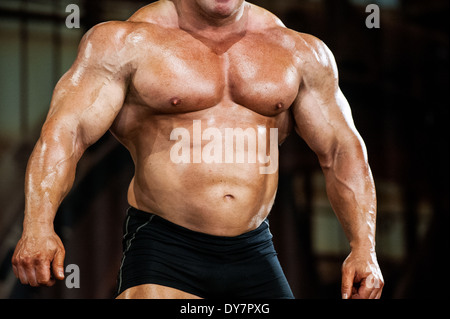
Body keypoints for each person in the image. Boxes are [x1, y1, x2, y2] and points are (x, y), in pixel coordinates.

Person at [11, 0, 384, 299]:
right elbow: (66, 133)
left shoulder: (300, 52)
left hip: (254, 248)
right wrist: (38, 224)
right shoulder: (125, 43)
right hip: (166, 247)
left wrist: (363, 247)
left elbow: (340, 150)